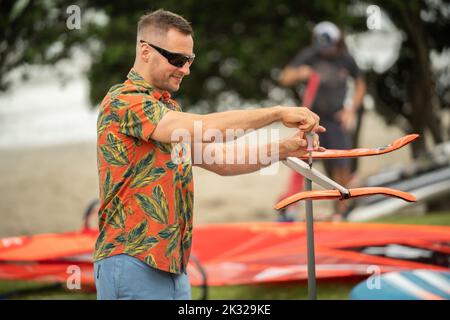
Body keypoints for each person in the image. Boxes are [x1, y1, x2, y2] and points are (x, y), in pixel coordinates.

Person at [93, 9, 325, 300]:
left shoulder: (167, 111)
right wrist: (277, 113)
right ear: (145, 51)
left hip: (173, 265)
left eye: (189, 60)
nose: (185, 70)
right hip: (131, 262)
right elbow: (205, 127)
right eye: (177, 60)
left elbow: (221, 160)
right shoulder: (123, 102)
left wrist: (283, 148)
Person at [278, 21, 366, 221]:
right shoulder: (311, 54)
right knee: (301, 163)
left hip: (335, 120)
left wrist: (351, 109)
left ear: (337, 43)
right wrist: (301, 73)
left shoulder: (345, 59)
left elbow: (360, 84)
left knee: (341, 166)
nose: (325, 52)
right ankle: (291, 208)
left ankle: (341, 211)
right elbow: (284, 77)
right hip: (311, 121)